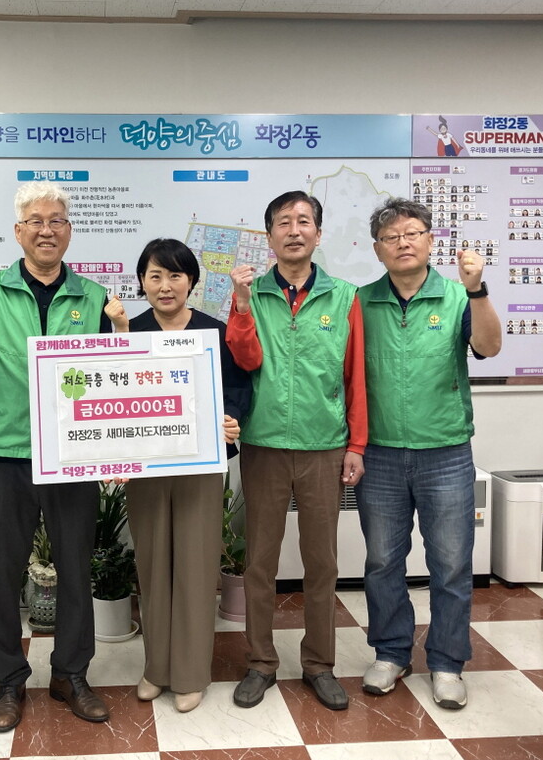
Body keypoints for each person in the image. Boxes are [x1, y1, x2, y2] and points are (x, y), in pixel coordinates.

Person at [0, 183, 125, 733]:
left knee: (75, 568)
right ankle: (8, 680)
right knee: (3, 573)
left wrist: (120, 329)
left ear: (69, 231)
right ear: (18, 231)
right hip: (8, 452)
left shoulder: (93, 296)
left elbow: (112, 377)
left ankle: (71, 674)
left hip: (73, 457)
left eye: (57, 220)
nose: (47, 230)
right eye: (36, 221)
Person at [354, 197, 502, 711]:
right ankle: (391, 653)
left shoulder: (459, 296)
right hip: (379, 454)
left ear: (430, 241)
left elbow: (489, 347)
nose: (403, 243)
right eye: (391, 237)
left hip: (446, 452)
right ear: (378, 249)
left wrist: (477, 289)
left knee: (452, 564)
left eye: (412, 233)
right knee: (381, 562)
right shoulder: (361, 302)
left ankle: (446, 661)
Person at [225, 191, 367, 711]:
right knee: (259, 562)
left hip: (323, 446)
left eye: (304, 221)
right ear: (269, 237)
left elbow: (356, 378)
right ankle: (260, 663)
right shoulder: (251, 293)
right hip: (263, 443)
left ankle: (319, 664)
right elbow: (245, 359)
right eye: (283, 223)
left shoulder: (345, 297)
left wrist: (356, 444)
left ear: (318, 234)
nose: (294, 230)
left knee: (322, 562)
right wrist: (242, 305)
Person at [110, 238, 251, 713]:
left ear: (191, 281)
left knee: (195, 565)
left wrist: (232, 419)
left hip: (200, 466)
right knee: (152, 567)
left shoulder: (215, 332)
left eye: (175, 275)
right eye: (155, 276)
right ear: (142, 282)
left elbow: (238, 388)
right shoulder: (128, 330)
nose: (165, 285)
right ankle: (157, 668)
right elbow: (108, 399)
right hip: (147, 469)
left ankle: (190, 674)